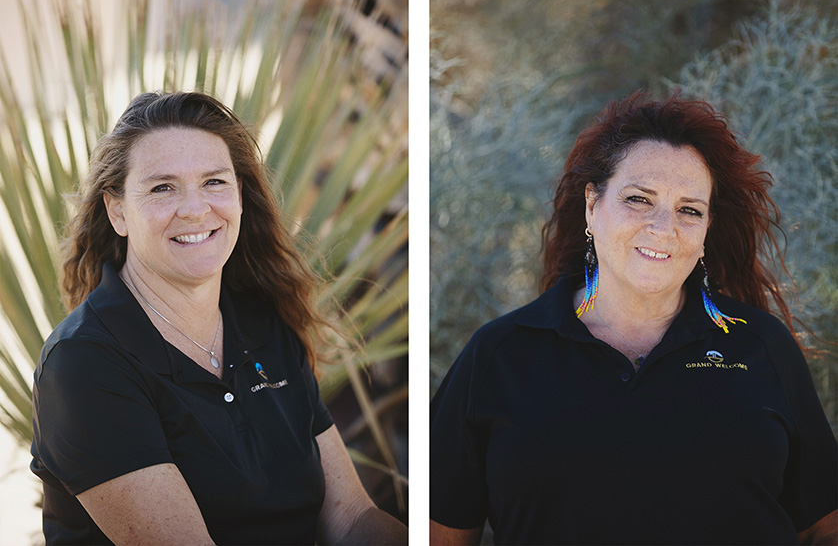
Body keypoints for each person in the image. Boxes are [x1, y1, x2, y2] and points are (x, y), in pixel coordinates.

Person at [430, 91, 837, 545]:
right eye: (640, 199)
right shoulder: (499, 356)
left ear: (705, 233)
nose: (664, 227)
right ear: (591, 206)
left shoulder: (762, 346)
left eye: (689, 210)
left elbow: (824, 527)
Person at [30, 91, 407, 545]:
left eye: (214, 182)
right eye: (162, 187)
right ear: (118, 212)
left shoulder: (264, 323)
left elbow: (351, 519)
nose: (194, 208)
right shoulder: (85, 364)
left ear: (240, 197)